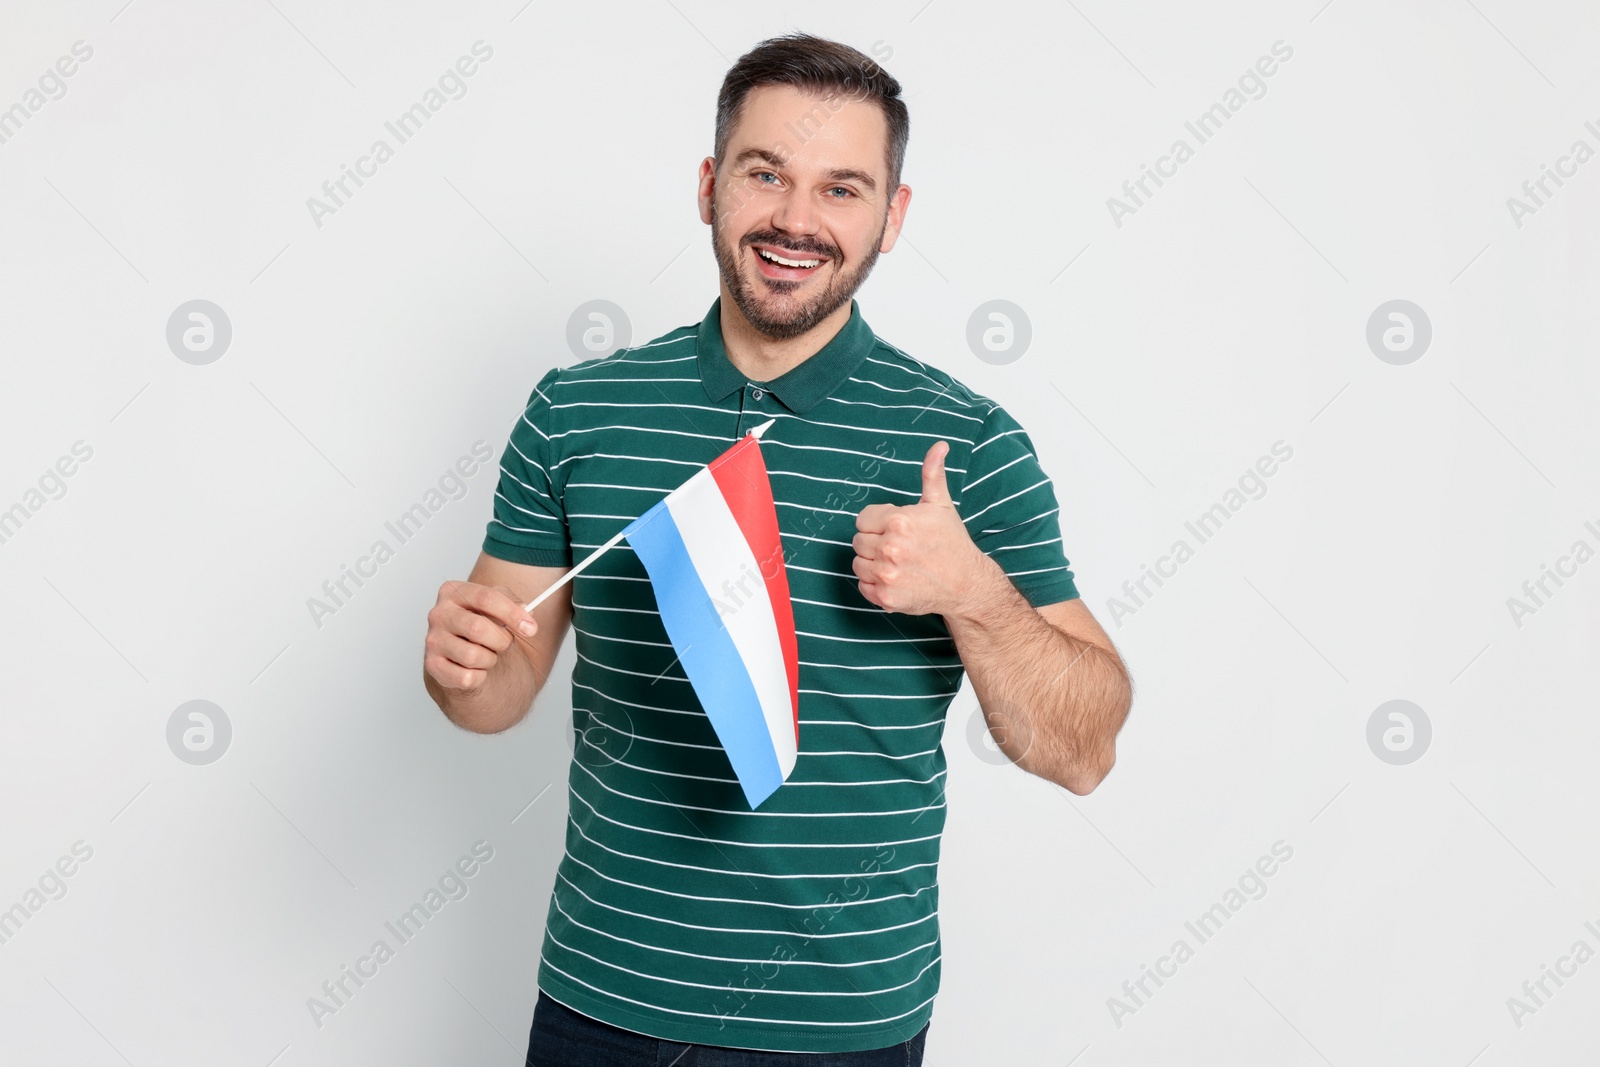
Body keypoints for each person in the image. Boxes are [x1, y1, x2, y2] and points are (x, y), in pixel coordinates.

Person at [422, 31, 1133, 1065]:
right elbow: (494, 691)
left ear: (891, 216)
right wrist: (463, 664)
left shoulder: (967, 447)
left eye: (842, 188)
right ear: (710, 185)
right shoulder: (579, 410)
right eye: (766, 173)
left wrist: (973, 592)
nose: (796, 220)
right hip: (602, 1003)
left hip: (840, 1026)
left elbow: (1082, 750)